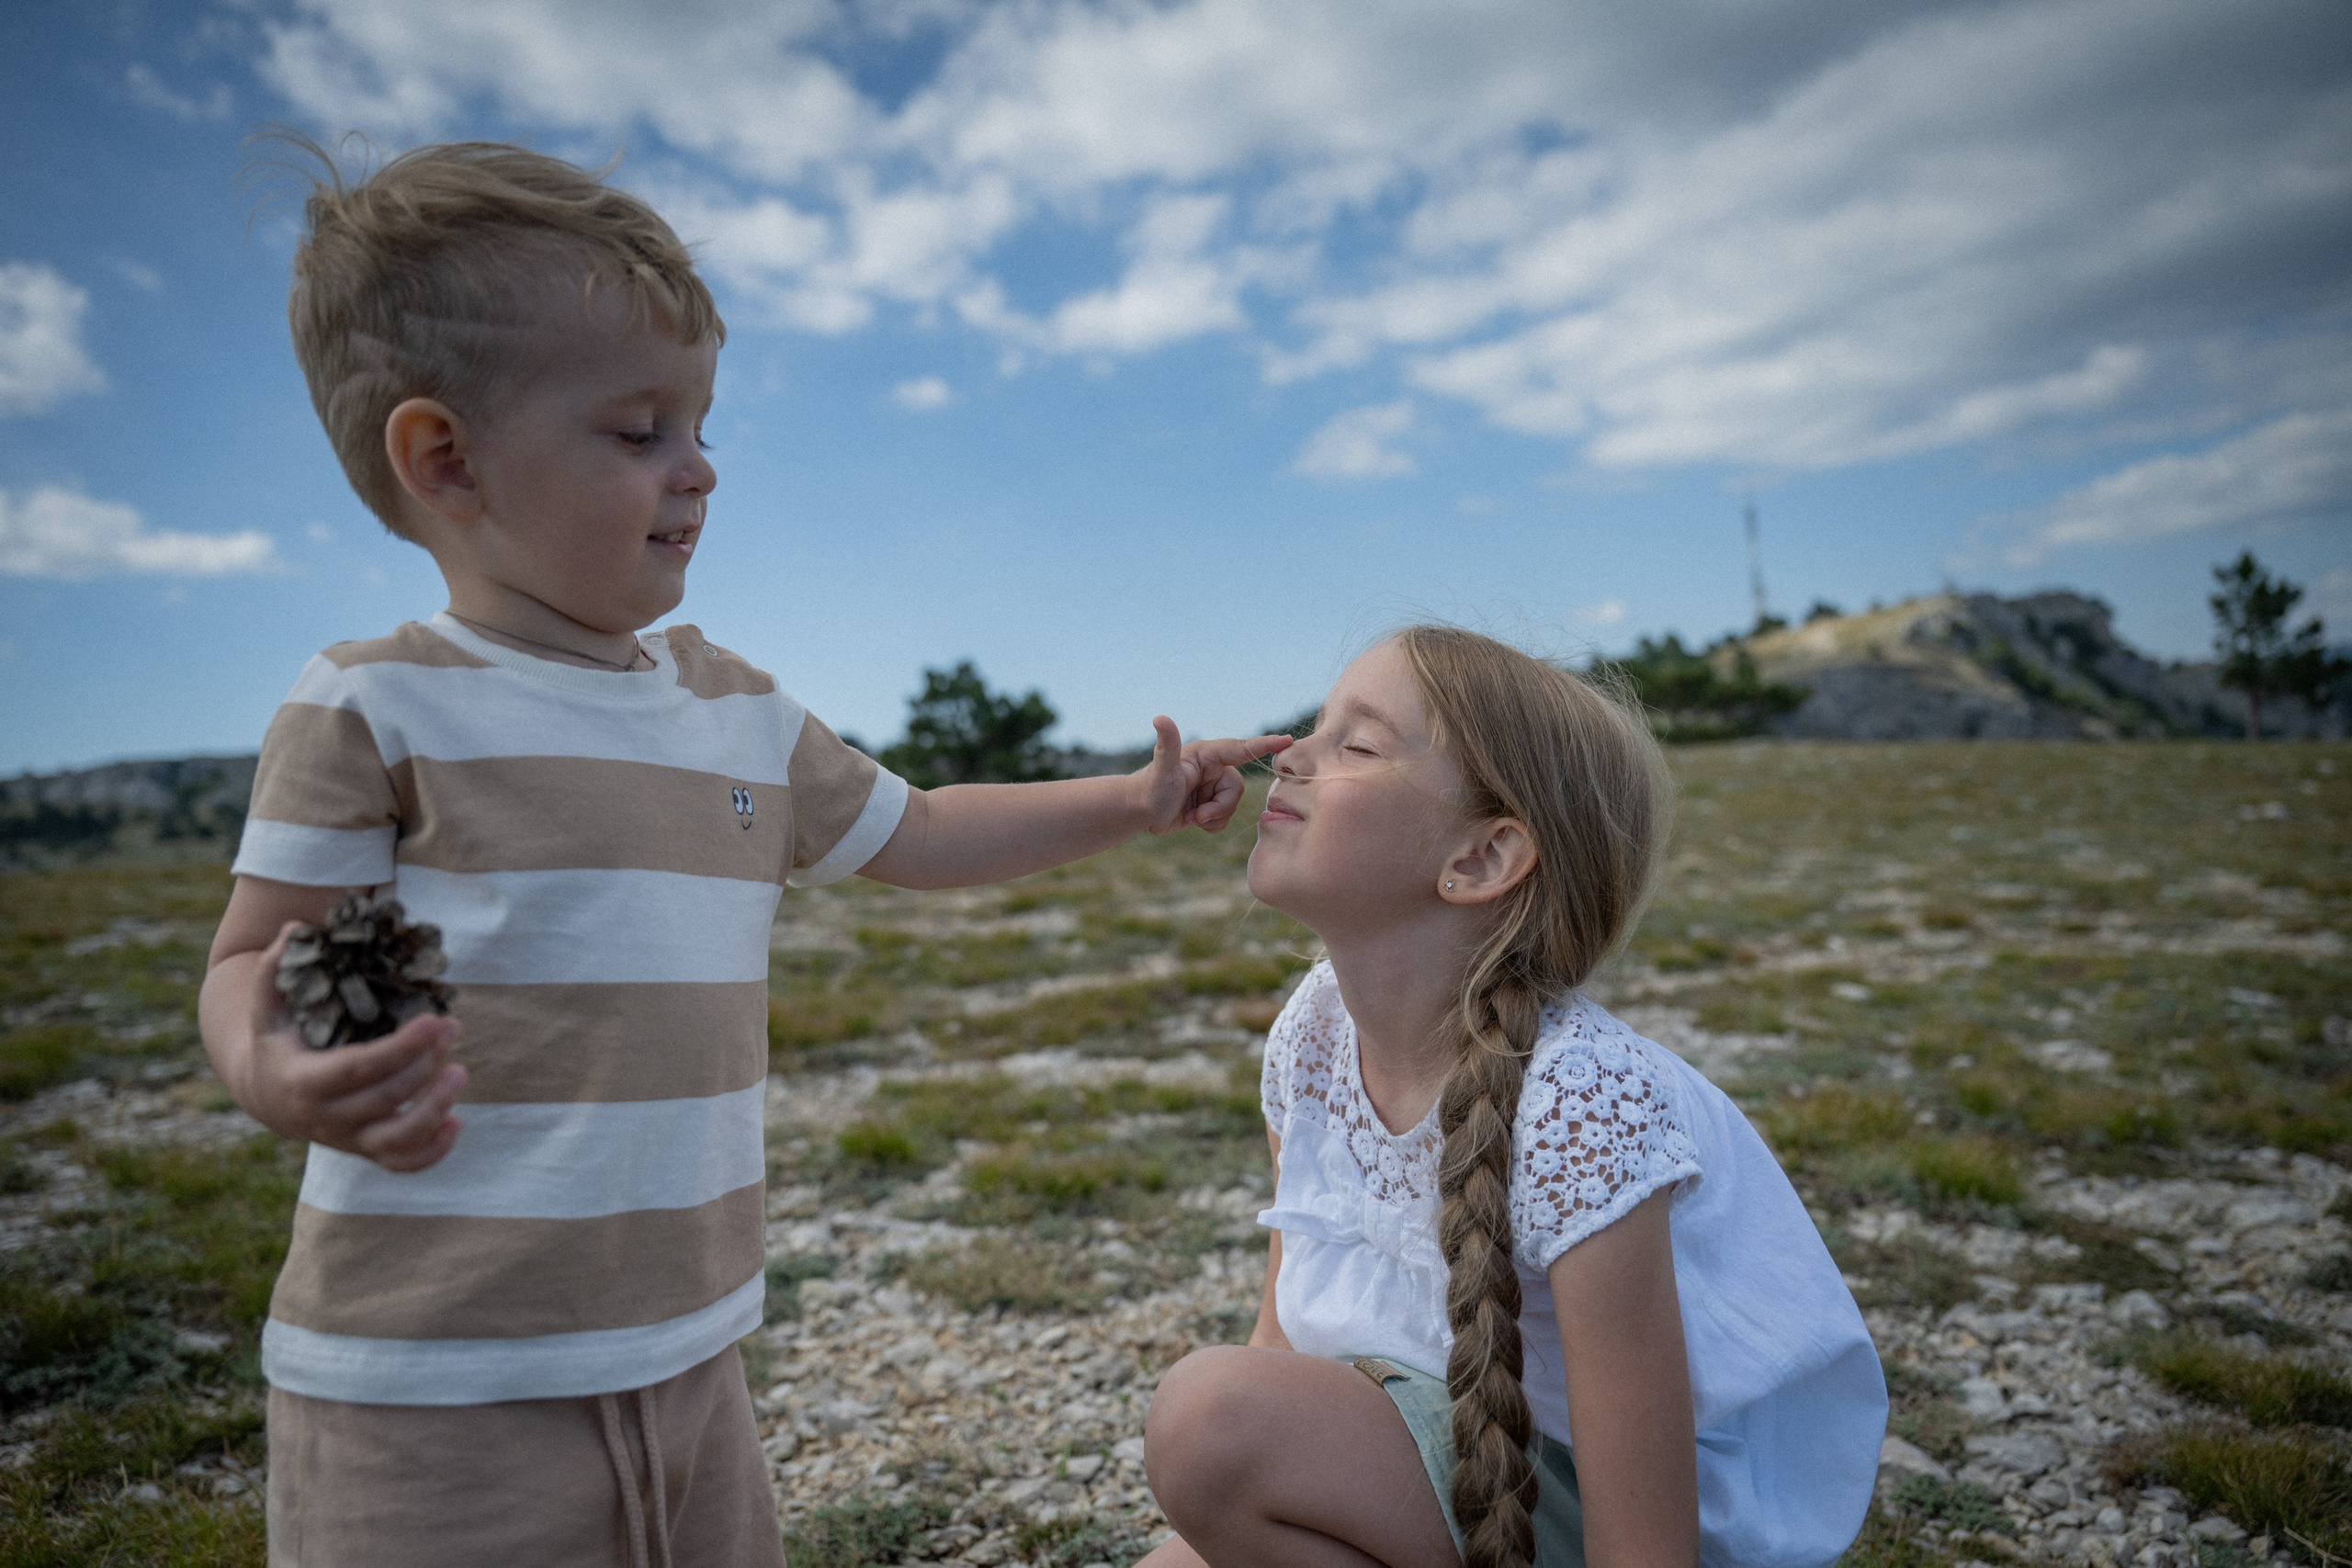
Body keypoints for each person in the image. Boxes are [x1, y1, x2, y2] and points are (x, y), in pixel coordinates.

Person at [196, 139, 1286, 1568]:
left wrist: (1130, 800)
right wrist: (276, 1068)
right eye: (639, 430)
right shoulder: (373, 705)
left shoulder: (735, 714)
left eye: (700, 424)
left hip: (694, 1355)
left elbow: (932, 829)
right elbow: (250, 958)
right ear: (445, 457)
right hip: (434, 1391)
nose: (700, 467)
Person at [1139, 627, 1884, 1568]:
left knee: (1210, 1423)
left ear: (1483, 858)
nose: (1289, 755)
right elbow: (1283, 1332)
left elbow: (1646, 1542)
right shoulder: (1313, 1032)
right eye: (1313, 729)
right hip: (1440, 1451)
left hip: (1573, 1508)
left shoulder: (1579, 1101)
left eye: (1354, 745)